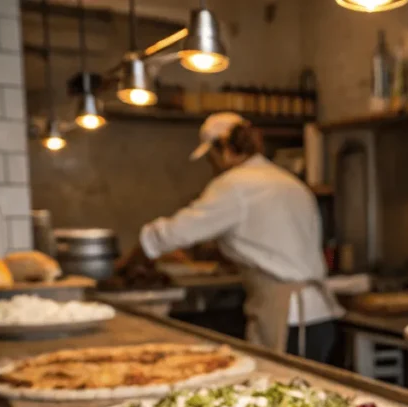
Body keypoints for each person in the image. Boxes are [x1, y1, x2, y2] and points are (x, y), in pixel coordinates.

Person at [123, 112, 343, 363]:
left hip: (288, 319)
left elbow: (169, 235)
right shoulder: (289, 182)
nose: (212, 165)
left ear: (223, 149)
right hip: (319, 316)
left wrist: (123, 265)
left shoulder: (234, 185)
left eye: (211, 157)